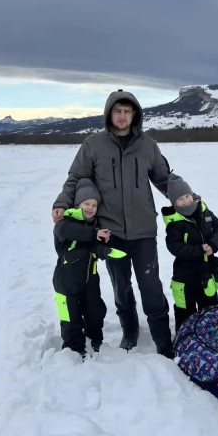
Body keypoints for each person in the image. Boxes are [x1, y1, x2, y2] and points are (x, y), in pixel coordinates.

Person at [52, 89, 176, 357]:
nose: (122, 116)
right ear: (109, 114)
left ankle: (163, 340)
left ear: (135, 115)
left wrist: (184, 197)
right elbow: (75, 178)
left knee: (151, 286)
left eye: (127, 111)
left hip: (143, 230)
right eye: (117, 111)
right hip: (111, 232)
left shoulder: (148, 145)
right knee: (121, 286)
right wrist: (62, 202)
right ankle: (129, 331)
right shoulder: (93, 145)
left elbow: (165, 178)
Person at [53, 178, 126, 357]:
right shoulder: (65, 222)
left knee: (95, 311)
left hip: (89, 279)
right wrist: (94, 233)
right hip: (66, 280)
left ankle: (95, 341)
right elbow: (67, 232)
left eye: (94, 205)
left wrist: (105, 249)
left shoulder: (94, 226)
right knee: (70, 316)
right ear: (78, 204)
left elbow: (92, 248)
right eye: (86, 203)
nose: (90, 208)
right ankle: (74, 350)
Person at [161, 175, 218, 330]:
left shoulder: (204, 211)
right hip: (185, 275)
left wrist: (212, 245)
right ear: (174, 203)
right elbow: (174, 246)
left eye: (187, 196)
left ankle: (212, 339)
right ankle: (185, 339)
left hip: (206, 272)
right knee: (185, 311)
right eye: (180, 199)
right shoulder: (174, 222)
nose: (185, 200)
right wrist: (199, 250)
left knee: (210, 309)